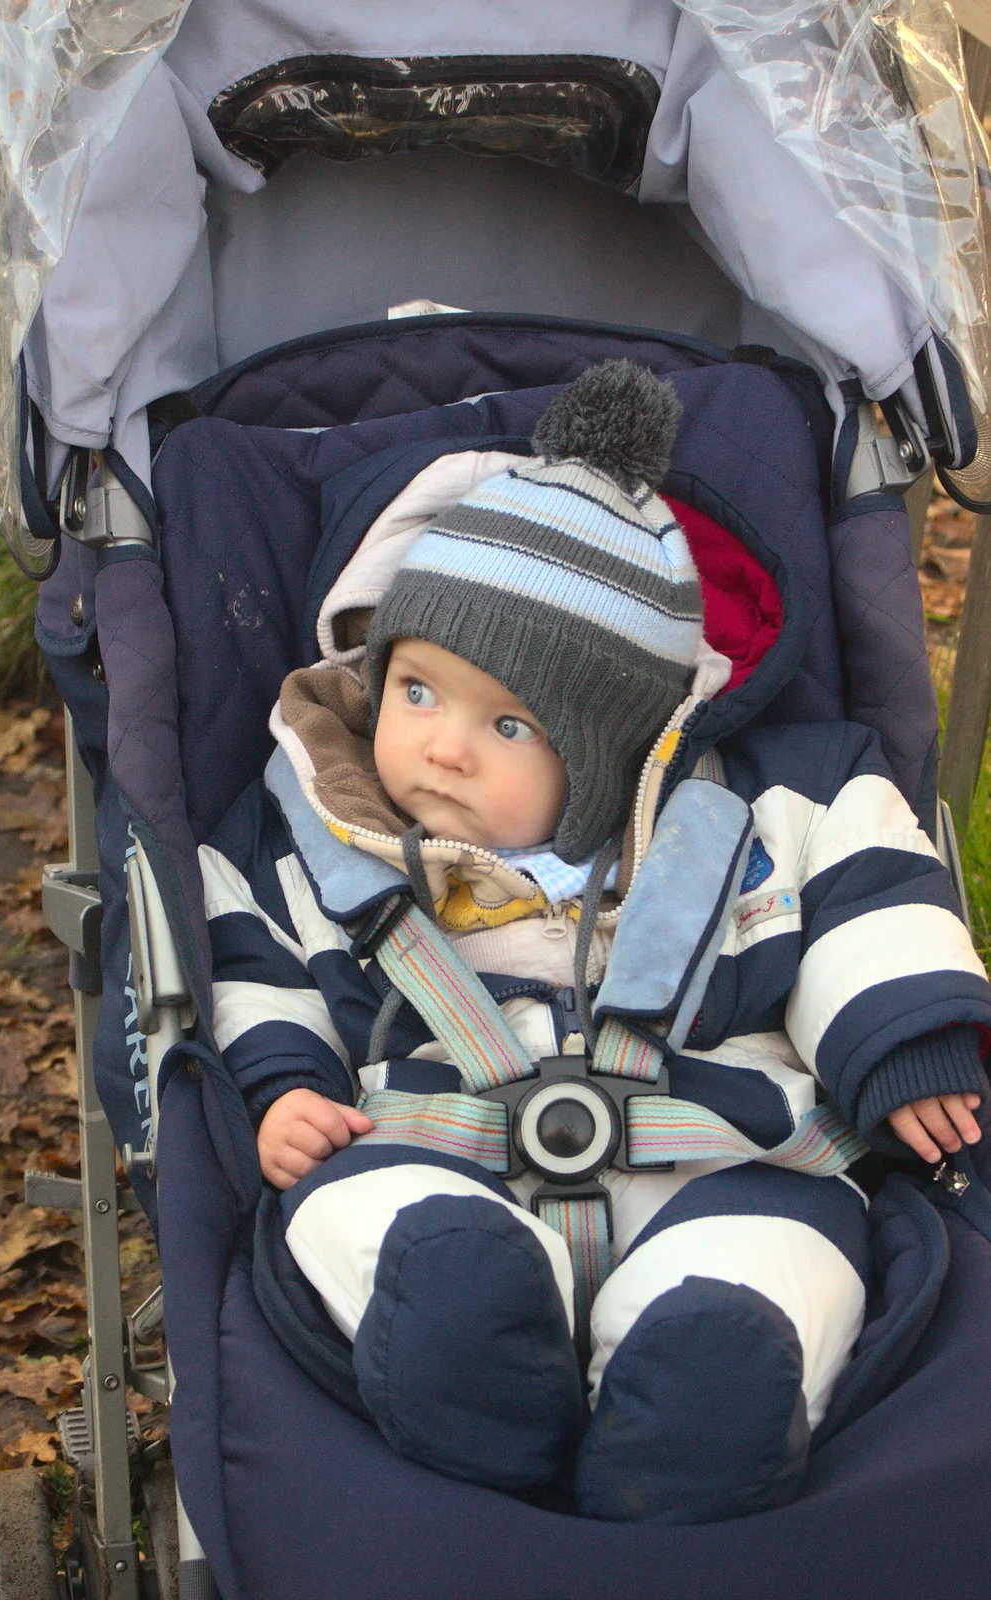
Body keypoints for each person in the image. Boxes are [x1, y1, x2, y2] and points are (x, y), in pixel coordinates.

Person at [201, 361, 991, 1522]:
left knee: (775, 1274)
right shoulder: (324, 831)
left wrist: (900, 1036)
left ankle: (699, 1412)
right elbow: (248, 956)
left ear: (618, 748)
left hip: (725, 1159)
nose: (442, 748)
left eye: (508, 722)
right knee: (360, 1211)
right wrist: (282, 1085)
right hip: (435, 1145)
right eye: (417, 689)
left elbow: (874, 888)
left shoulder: (765, 814)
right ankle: (463, 1366)